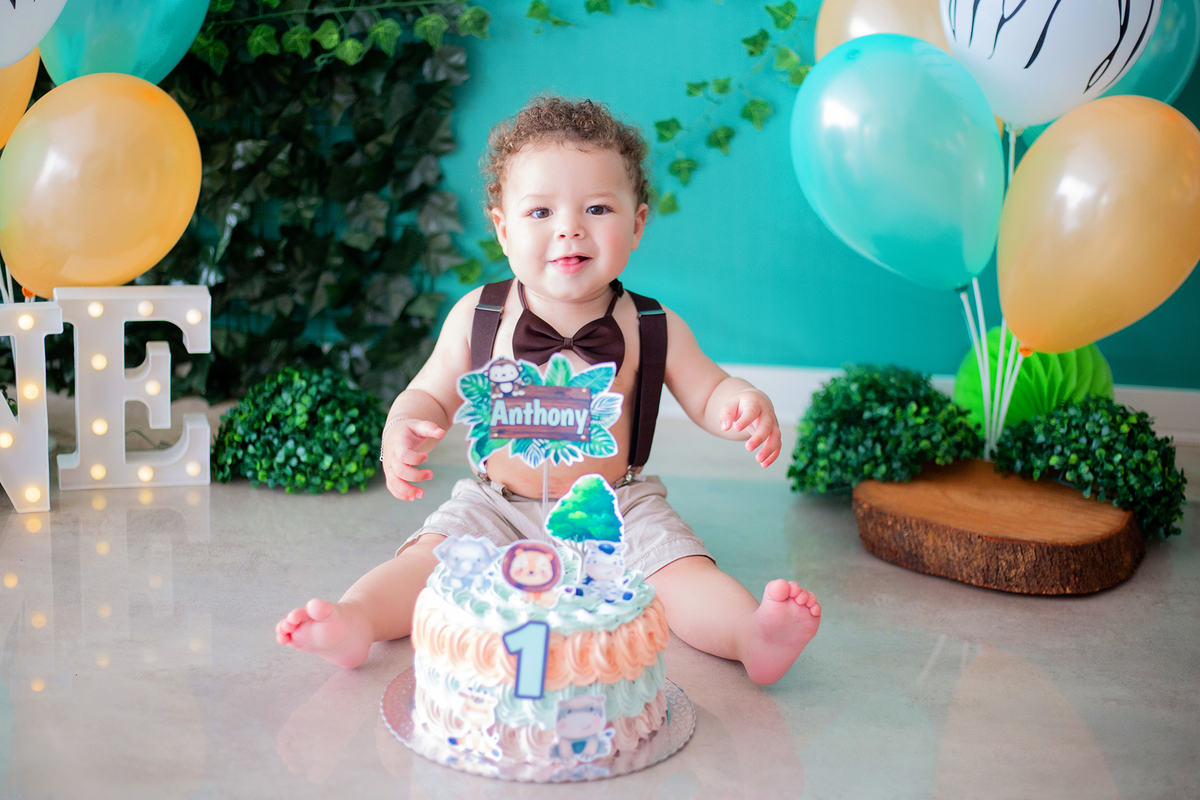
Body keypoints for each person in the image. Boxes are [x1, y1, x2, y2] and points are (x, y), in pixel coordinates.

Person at [276, 96, 820, 685]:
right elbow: (428, 392)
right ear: (503, 229)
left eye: (596, 207)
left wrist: (738, 402)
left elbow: (707, 389)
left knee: (679, 568)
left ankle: (750, 635)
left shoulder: (649, 324)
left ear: (636, 223)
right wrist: (404, 425)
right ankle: (357, 621)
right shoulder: (479, 315)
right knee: (425, 561)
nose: (569, 228)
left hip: (614, 503)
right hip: (498, 503)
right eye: (540, 212)